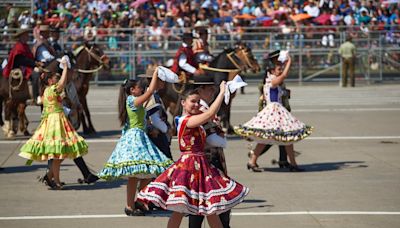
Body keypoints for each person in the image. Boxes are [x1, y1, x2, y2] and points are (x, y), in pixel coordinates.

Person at [138, 82, 249, 228]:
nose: (196, 105)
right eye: (193, 102)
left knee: (209, 209)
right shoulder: (185, 120)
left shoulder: (193, 118)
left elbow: (209, 116)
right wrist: (221, 93)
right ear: (183, 103)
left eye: (198, 102)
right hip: (190, 167)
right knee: (182, 210)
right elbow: (209, 114)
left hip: (200, 165)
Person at [98, 68, 173, 216]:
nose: (143, 89)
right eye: (140, 87)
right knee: (135, 175)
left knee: (147, 171)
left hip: (141, 136)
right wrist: (156, 74)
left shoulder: (134, 101)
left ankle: (139, 200)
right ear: (132, 90)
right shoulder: (131, 100)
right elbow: (150, 91)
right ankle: (129, 206)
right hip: (135, 138)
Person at [235, 53, 313, 172]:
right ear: (271, 70)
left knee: (281, 138)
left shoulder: (269, 81)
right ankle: (290, 164)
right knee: (281, 138)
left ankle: (255, 161)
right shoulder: (272, 81)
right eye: (278, 68)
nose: (280, 70)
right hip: (275, 111)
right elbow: (285, 75)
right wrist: (289, 61)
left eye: (280, 68)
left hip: (275, 110)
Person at [19, 57, 88, 190]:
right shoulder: (52, 89)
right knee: (57, 154)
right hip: (56, 122)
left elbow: (53, 104)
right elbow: (62, 84)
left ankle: (53, 178)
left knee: (58, 155)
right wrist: (65, 68)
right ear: (50, 81)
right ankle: (54, 180)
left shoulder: (47, 91)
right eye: (55, 79)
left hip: (54, 121)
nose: (57, 80)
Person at [188, 76, 231, 228]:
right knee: (218, 204)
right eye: (210, 88)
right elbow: (212, 139)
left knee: (199, 206)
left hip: (206, 161)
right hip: (208, 162)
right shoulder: (201, 110)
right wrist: (224, 140)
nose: (213, 91)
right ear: (200, 90)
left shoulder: (201, 108)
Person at [2, 28, 42, 138]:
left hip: (26, 67)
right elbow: (20, 60)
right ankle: (35, 96)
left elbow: (28, 58)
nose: (27, 36)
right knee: (35, 75)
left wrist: (35, 62)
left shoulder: (24, 46)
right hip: (19, 69)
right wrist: (34, 64)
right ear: (21, 36)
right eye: (25, 35)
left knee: (39, 74)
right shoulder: (19, 47)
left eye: (27, 35)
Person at [138, 72, 173, 159]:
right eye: (161, 80)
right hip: (157, 135)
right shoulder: (153, 96)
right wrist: (166, 129)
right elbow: (154, 119)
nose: (164, 83)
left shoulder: (148, 94)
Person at [31, 24, 57, 104]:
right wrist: (55, 58)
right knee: (36, 74)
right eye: (46, 32)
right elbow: (46, 55)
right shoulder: (39, 42)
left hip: (48, 63)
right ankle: (37, 96)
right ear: (42, 33)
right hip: (41, 63)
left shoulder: (46, 41)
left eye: (48, 32)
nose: (48, 34)